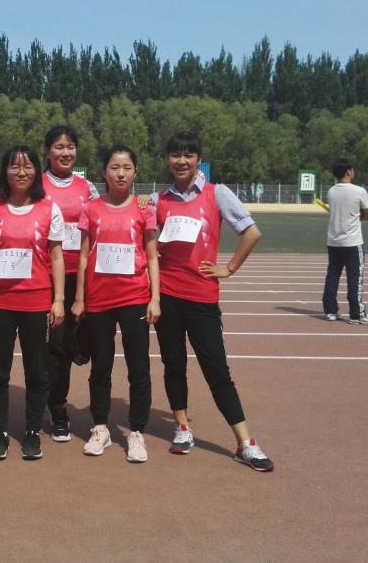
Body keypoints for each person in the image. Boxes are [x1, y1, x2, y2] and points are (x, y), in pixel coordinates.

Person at [153, 131, 274, 472]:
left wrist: (229, 268)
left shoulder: (216, 193)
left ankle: (245, 442)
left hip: (201, 297)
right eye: (175, 155)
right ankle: (182, 428)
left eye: (188, 155)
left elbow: (251, 231)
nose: (181, 161)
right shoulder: (158, 199)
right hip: (167, 296)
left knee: (217, 370)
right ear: (167, 159)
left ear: (198, 160)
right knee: (173, 365)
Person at [0, 146, 65, 461]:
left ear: (36, 171)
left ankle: (32, 432)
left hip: (36, 302)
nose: (21, 172)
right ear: (5, 171)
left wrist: (59, 299)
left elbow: (56, 257)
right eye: (14, 166)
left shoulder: (49, 208)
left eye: (27, 166)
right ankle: (0, 433)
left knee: (37, 372)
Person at [71, 146, 159, 463]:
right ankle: (100, 428)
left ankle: (136, 432)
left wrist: (155, 298)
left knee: (139, 368)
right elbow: (83, 255)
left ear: (135, 172)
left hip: (135, 296)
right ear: (104, 172)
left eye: (126, 168)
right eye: (114, 167)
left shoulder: (144, 209)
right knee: (101, 368)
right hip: (99, 299)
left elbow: (152, 256)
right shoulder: (91, 209)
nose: (120, 173)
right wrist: (79, 298)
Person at [40, 125, 99, 443]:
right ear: (47, 151)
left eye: (70, 147)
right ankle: (58, 408)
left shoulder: (86, 186)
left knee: (90, 341)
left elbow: (104, 213)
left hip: (85, 274)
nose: (65, 152)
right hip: (50, 275)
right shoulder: (37, 184)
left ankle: (80, 347)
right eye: (59, 147)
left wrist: (143, 201)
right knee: (57, 347)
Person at [323, 158, 368, 325]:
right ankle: (357, 314)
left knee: (332, 275)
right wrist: (355, 217)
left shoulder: (331, 191)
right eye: (352, 169)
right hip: (352, 242)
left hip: (333, 242)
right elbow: (367, 215)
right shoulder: (359, 191)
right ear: (348, 171)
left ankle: (330, 311)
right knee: (354, 278)